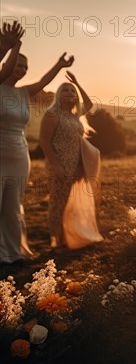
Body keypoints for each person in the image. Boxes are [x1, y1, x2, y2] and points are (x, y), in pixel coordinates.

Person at [1, 46, 74, 264]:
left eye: (25, 67)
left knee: (13, 205)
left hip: (19, 154)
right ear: (6, 65)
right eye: (18, 65)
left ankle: (12, 252)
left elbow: (43, 81)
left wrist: (59, 65)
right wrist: (14, 46)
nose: (22, 69)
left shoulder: (23, 93)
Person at [39, 71, 103, 251]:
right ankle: (56, 241)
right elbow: (44, 141)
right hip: (58, 163)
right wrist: (55, 165)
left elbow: (89, 104)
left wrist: (77, 82)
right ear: (58, 95)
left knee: (68, 201)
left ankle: (68, 237)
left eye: (72, 91)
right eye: (65, 90)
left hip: (75, 164)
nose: (69, 93)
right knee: (57, 202)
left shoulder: (74, 116)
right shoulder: (52, 114)